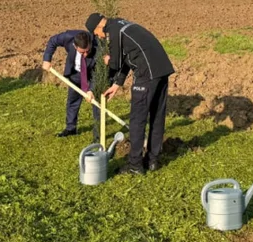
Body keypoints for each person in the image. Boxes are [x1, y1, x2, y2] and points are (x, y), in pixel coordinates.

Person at [86, 13, 175, 174]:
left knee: (137, 119)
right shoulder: (121, 25)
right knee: (157, 115)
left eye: (96, 34)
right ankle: (152, 160)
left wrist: (108, 60)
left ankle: (135, 164)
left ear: (98, 27)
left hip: (147, 74)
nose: (98, 37)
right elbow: (128, 57)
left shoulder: (113, 32)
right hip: (162, 70)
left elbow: (115, 63)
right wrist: (117, 84)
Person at [42, 30, 101, 138]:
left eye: (87, 51)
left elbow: (98, 72)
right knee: (73, 101)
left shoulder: (98, 47)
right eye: (82, 52)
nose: (86, 54)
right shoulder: (68, 37)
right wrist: (47, 59)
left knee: (97, 104)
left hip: (92, 74)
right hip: (75, 74)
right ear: (74, 46)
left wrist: (91, 90)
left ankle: (98, 134)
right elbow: (52, 41)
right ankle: (71, 128)